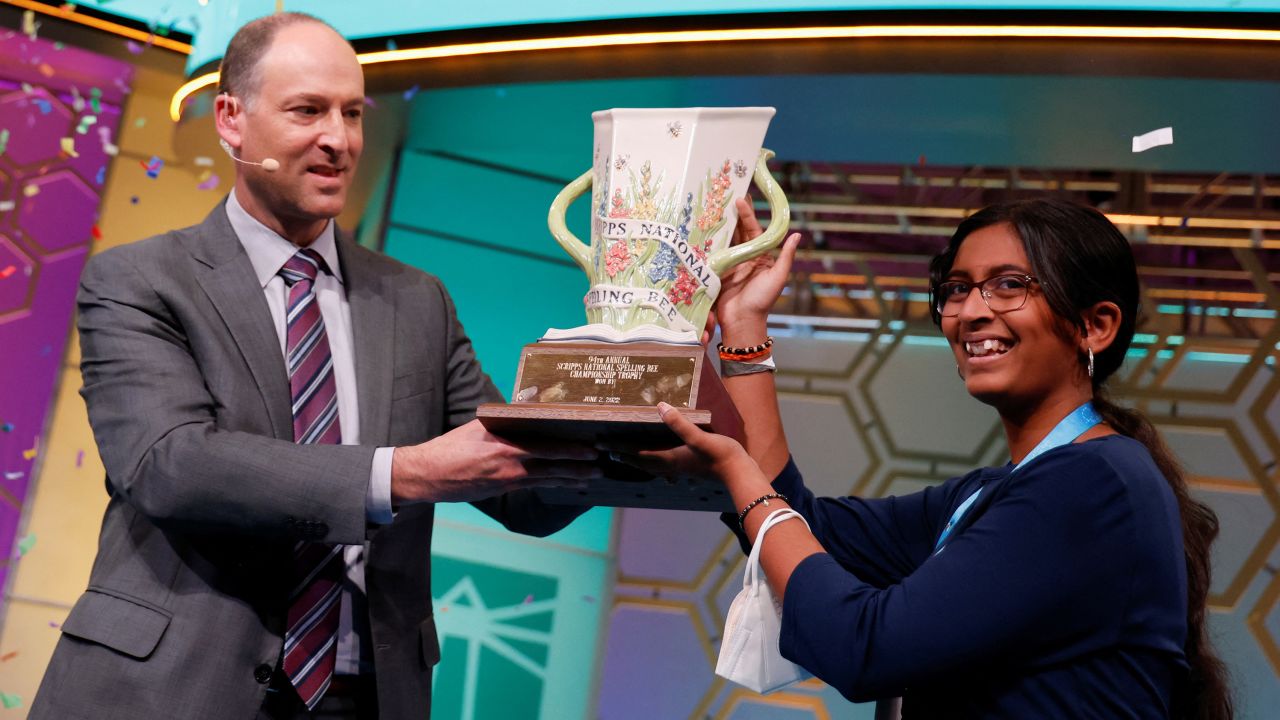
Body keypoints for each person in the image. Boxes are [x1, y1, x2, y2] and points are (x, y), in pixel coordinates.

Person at [31, 13, 599, 720]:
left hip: (362, 693)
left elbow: (523, 494)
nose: (340, 139)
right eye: (308, 111)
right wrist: (403, 472)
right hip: (171, 688)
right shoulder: (141, 280)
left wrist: (621, 362)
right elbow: (170, 466)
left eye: (353, 113)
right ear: (231, 119)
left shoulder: (417, 300)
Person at [625, 197, 1233, 717]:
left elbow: (867, 648)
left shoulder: (1093, 483)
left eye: (1009, 284)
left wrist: (737, 474)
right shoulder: (1000, 492)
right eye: (957, 288)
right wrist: (743, 321)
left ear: (1095, 327)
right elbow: (806, 528)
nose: (971, 311)